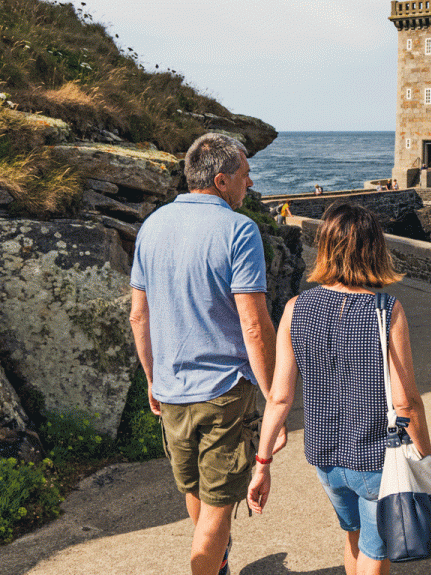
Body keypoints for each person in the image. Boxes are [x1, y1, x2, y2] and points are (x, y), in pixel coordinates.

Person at [248, 203, 431, 575]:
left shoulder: (295, 308)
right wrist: (425, 458)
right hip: (375, 460)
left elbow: (280, 397)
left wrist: (262, 463)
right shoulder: (386, 310)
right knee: (374, 552)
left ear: (325, 248)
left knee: (354, 536)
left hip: (325, 459)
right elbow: (406, 402)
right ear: (373, 248)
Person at [129, 132, 284, 575]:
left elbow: (140, 316)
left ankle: (216, 564)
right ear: (220, 180)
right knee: (218, 504)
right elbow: (254, 324)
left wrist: (151, 377)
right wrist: (274, 397)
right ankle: (209, 564)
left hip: (172, 387)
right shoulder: (239, 230)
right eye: (244, 176)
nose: (249, 185)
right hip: (223, 392)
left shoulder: (153, 224)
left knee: (195, 488)